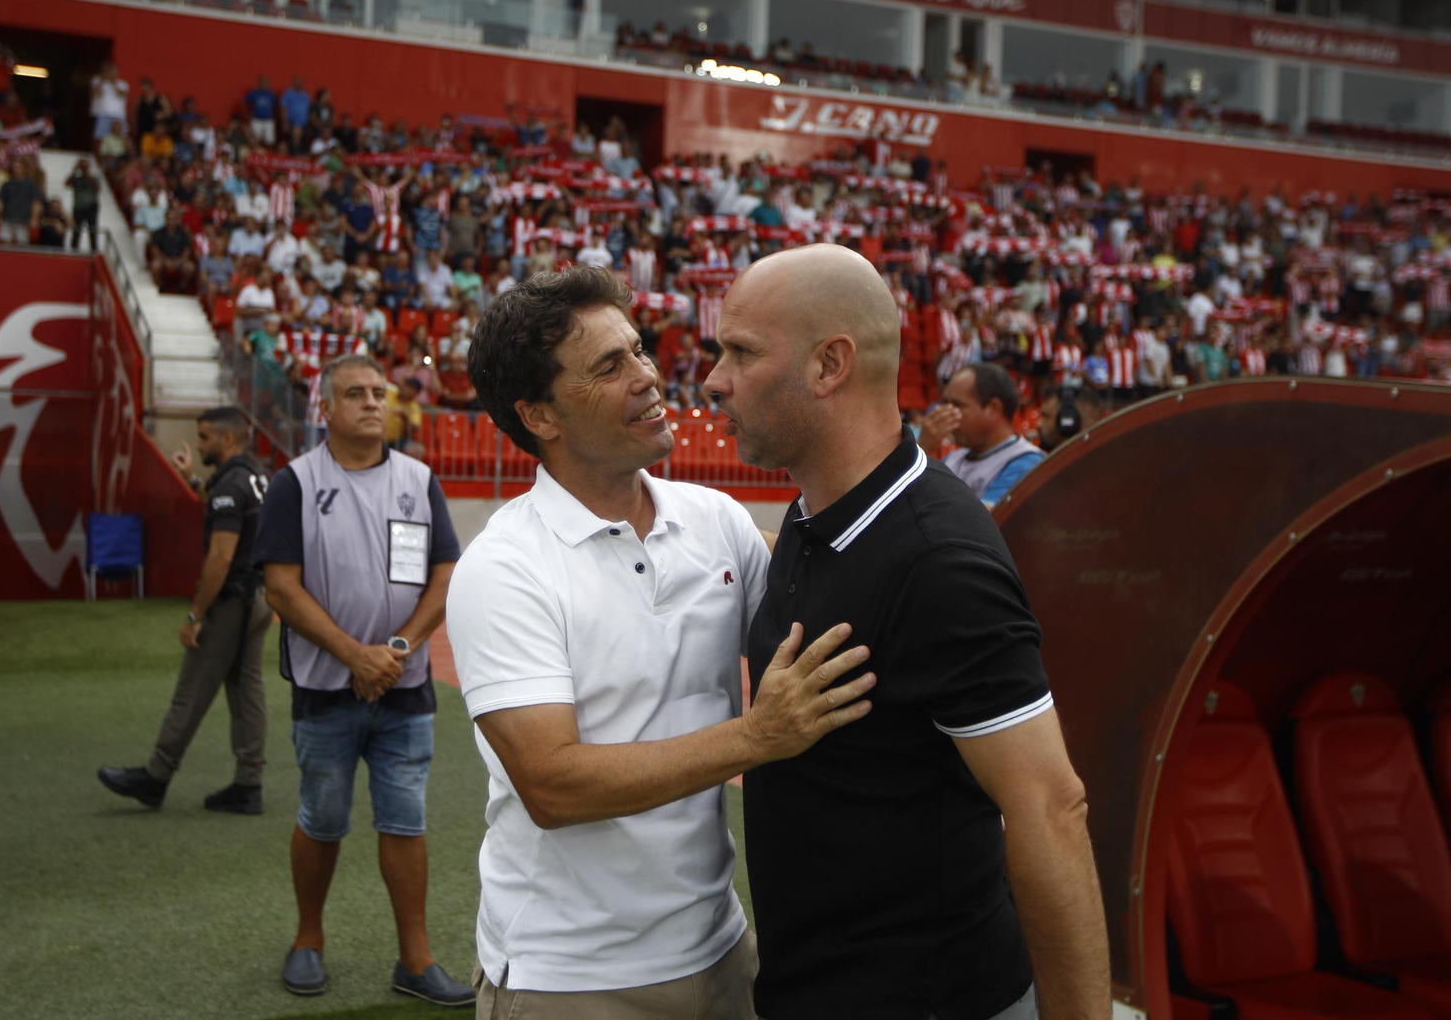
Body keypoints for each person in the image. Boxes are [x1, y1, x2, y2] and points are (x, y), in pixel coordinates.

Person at [447, 266, 871, 1019]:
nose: (649, 377)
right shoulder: (504, 567)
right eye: (610, 367)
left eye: (638, 351)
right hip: (570, 978)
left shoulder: (716, 520)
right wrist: (757, 735)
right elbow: (552, 786)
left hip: (721, 948)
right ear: (538, 416)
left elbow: (829, 619)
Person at [703, 243, 1108, 1020]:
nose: (716, 379)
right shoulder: (813, 510)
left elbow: (1051, 809)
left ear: (829, 366)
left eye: (741, 352)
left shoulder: (938, 559)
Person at [254, 355, 472, 1006]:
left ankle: (416, 960)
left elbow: (443, 576)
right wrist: (356, 655)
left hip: (404, 689)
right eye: (355, 394)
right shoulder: (295, 483)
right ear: (325, 408)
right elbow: (281, 588)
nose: (373, 403)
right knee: (322, 818)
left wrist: (399, 648)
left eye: (380, 393)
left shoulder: (419, 479)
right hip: (326, 688)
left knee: (405, 822)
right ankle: (307, 941)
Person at [98, 408, 272, 814]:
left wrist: (196, 614)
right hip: (258, 598)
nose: (199, 443)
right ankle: (249, 783)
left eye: (205, 437)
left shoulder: (231, 484)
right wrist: (193, 478)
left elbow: (221, 556)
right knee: (248, 693)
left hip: (232, 600)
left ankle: (155, 776)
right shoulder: (255, 476)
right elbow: (230, 511)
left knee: (192, 689)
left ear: (228, 440)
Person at [918, 363, 1046, 509]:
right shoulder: (954, 458)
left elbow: (982, 524)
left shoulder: (1026, 462)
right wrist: (921, 449)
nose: (947, 413)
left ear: (993, 409)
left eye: (957, 405)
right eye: (946, 404)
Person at [65, 158, 101, 251]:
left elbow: (97, 188)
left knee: (92, 231)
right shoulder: (76, 179)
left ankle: (94, 250)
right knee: (76, 231)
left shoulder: (94, 178)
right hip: (78, 207)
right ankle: (74, 249)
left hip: (91, 207)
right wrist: (74, 170)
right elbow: (67, 184)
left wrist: (87, 173)